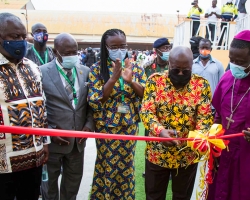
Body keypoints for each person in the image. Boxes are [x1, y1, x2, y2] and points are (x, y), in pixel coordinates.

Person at [140, 46, 213, 200]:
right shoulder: (154, 82)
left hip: (186, 156)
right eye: (176, 69)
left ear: (192, 66)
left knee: (182, 197)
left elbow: (204, 118)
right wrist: (160, 131)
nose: (180, 74)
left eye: (185, 70)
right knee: (154, 196)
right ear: (169, 64)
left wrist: (199, 137)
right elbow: (147, 112)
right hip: (157, 154)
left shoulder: (202, 86)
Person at [88, 28, 147, 199]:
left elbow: (145, 94)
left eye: (123, 46)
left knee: (127, 166)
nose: (119, 50)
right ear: (105, 47)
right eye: (114, 46)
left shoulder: (135, 68)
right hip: (106, 128)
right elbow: (95, 100)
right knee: (107, 165)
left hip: (129, 126)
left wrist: (131, 81)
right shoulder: (97, 69)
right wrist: (113, 78)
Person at [0, 12, 49, 200]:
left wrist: (45, 142)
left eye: (23, 36)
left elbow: (41, 108)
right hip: (4, 161)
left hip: (34, 157)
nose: (21, 41)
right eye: (14, 37)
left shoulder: (32, 67)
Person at [40, 33, 94, 200]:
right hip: (54, 143)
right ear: (56, 52)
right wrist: (49, 132)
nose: (72, 56)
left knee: (72, 185)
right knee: (49, 188)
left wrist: (89, 125)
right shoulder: (41, 72)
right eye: (67, 53)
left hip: (78, 143)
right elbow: (37, 108)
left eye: (75, 52)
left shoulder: (85, 71)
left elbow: (91, 104)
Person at [207, 30, 250, 200]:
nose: (235, 65)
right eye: (232, 60)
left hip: (246, 155)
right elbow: (218, 113)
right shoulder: (226, 78)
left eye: (241, 62)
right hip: (223, 151)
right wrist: (214, 142)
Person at [192, 38, 224, 114]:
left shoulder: (218, 64)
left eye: (207, 48)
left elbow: (222, 86)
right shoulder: (192, 64)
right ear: (198, 48)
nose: (204, 50)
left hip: (212, 106)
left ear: (211, 49)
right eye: (202, 48)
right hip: (195, 104)